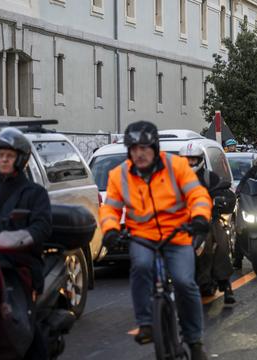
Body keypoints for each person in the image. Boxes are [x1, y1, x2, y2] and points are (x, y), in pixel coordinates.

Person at [100, 121, 212, 360]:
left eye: (144, 148)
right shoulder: (119, 175)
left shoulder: (177, 166)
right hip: (142, 237)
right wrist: (109, 230)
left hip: (177, 234)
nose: (139, 153)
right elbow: (109, 208)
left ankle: (195, 341)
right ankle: (146, 323)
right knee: (140, 267)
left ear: (155, 147)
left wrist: (200, 217)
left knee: (184, 282)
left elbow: (197, 194)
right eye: (133, 149)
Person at [0, 128, 52, 359]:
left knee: (17, 326)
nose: (4, 159)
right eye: (1, 155)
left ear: (20, 159)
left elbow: (42, 227)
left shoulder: (34, 193)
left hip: (18, 264)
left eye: (10, 156)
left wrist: (16, 238)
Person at [179, 142, 236, 305]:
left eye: (193, 160)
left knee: (221, 244)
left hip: (207, 219)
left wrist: (220, 199)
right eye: (186, 160)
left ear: (200, 160)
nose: (189, 163)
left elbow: (223, 190)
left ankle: (226, 286)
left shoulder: (209, 177)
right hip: (182, 221)